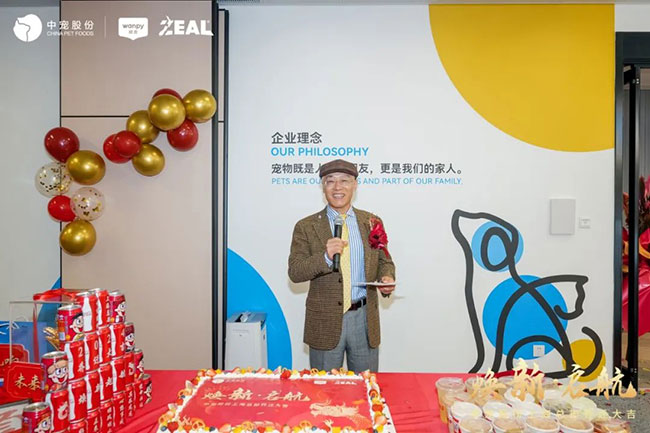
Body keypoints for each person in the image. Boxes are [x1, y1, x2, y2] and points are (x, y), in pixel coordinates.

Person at [288, 159, 395, 372]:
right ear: (323, 186)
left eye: (345, 181)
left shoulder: (372, 222)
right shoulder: (306, 226)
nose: (338, 187)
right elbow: (295, 271)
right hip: (324, 321)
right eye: (330, 181)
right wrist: (326, 257)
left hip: (364, 320)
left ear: (355, 184)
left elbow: (385, 261)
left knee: (365, 386)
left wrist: (387, 278)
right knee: (323, 388)